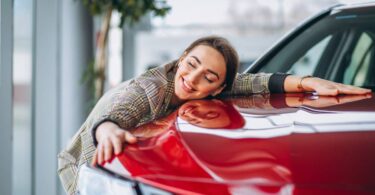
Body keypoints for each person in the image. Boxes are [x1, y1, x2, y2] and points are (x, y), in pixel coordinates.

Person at [57, 35, 370, 194]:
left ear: (220, 88)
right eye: (191, 64)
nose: (193, 79)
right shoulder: (149, 88)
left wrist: (305, 82)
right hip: (86, 162)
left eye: (208, 77)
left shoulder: (224, 88)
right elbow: (122, 109)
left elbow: (253, 82)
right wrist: (108, 129)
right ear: (181, 59)